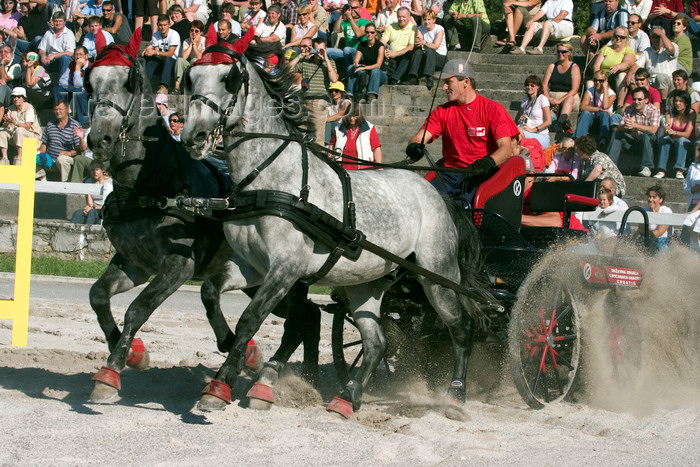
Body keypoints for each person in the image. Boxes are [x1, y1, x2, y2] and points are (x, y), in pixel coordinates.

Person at [406, 58, 519, 203]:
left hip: (482, 175)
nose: (444, 88)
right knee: (421, 202)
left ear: (466, 82)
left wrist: (488, 162)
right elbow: (419, 138)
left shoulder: (493, 109)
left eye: (448, 82)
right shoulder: (441, 111)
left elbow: (506, 148)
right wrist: (414, 146)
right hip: (449, 176)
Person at [291, 36, 338, 145]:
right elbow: (288, 69)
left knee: (318, 138)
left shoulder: (330, 63)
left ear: (326, 48)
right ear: (313, 49)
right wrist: (300, 55)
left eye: (322, 49)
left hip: (319, 102)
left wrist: (325, 58)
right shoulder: (306, 62)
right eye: (317, 49)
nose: (319, 52)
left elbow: (334, 79)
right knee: (299, 136)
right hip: (304, 101)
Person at [607, 86, 659, 176]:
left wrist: (635, 125)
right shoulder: (629, 109)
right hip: (634, 141)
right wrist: (625, 126)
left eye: (639, 99)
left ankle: (647, 167)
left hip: (649, 143)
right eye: (634, 99)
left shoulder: (653, 110)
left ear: (646, 100)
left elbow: (654, 129)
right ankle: (610, 166)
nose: (636, 102)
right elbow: (620, 127)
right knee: (617, 134)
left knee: (646, 135)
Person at [37, 99, 88, 182]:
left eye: (60, 109)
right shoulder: (50, 124)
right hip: (50, 160)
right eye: (55, 109)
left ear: (67, 110)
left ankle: (65, 184)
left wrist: (68, 153)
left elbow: (79, 150)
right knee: (32, 157)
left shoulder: (75, 126)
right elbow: (44, 144)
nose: (57, 112)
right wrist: (38, 152)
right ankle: (43, 179)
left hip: (67, 159)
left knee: (62, 159)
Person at [628, 25, 678, 101]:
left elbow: (671, 49)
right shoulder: (648, 51)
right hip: (650, 82)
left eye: (658, 36)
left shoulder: (672, 46)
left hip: (668, 82)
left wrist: (661, 33)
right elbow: (637, 65)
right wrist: (630, 74)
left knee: (660, 77)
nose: (655, 39)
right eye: (653, 37)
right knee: (633, 78)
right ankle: (637, 102)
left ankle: (663, 104)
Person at [590, 26, 635, 108]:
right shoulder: (606, 49)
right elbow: (596, 65)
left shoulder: (628, 50)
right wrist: (599, 76)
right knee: (590, 82)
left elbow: (628, 63)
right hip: (604, 75)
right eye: (616, 36)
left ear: (626, 39)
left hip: (616, 76)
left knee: (622, 76)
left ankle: (619, 105)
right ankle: (592, 105)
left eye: (622, 37)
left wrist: (618, 67)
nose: (618, 38)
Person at [510, 0, 574, 55]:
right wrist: (531, 21)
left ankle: (540, 48)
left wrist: (547, 23)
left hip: (565, 26)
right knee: (533, 25)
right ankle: (522, 48)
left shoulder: (567, 1)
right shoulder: (549, 1)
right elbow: (541, 12)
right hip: (550, 25)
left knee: (547, 23)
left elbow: (562, 16)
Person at [542, 41, 580, 133]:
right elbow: (544, 85)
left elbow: (574, 89)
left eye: (563, 52)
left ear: (569, 53)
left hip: (568, 95)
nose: (560, 54)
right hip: (552, 95)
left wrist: (560, 100)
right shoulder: (552, 66)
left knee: (569, 99)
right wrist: (548, 98)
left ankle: (560, 123)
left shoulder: (574, 67)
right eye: (558, 51)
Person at [655, 90, 693, 179]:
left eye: (680, 101)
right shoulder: (670, 112)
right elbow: (668, 127)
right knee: (665, 139)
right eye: (676, 101)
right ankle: (661, 170)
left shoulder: (691, 114)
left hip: (687, 143)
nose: (677, 103)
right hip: (673, 141)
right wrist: (666, 128)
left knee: (682, 140)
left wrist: (675, 132)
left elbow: (687, 134)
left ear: (686, 103)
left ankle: (679, 170)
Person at [329, 105, 382, 170]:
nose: (351, 118)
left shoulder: (369, 128)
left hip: (364, 169)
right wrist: (330, 157)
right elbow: (331, 145)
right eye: (349, 116)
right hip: (342, 169)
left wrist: (379, 166)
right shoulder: (338, 129)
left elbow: (376, 148)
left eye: (354, 116)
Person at [405, 9, 446, 89]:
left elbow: (435, 46)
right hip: (427, 56)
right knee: (418, 51)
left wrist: (425, 43)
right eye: (425, 19)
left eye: (429, 19)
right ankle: (413, 76)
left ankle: (428, 77)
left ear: (434, 20)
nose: (427, 22)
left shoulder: (439, 29)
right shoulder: (420, 28)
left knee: (430, 50)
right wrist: (419, 42)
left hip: (440, 57)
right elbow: (418, 41)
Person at [573, 70, 616, 145]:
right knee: (585, 113)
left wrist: (605, 89)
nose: (598, 82)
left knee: (604, 114)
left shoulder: (611, 93)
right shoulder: (590, 91)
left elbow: (605, 106)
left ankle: (603, 139)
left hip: (603, 121)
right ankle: (578, 138)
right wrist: (599, 109)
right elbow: (583, 107)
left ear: (606, 81)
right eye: (595, 80)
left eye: (601, 81)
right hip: (592, 120)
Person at [50, 44, 89, 126]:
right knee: (57, 89)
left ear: (86, 56)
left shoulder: (90, 67)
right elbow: (62, 81)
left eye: (80, 54)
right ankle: (62, 117)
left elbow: (78, 84)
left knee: (79, 91)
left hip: (89, 92)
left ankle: (84, 120)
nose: (78, 57)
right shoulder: (72, 64)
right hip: (74, 88)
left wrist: (78, 68)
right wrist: (72, 87)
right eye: (76, 54)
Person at [0, 86, 40, 164]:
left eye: (19, 97)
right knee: (1, 131)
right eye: (14, 97)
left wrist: (14, 122)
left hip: (31, 135)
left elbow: (27, 126)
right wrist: (6, 122)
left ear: (24, 98)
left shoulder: (29, 108)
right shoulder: (11, 108)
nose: (16, 99)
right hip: (15, 135)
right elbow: (8, 126)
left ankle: (19, 157)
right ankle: (4, 158)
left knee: (20, 130)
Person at [346, 22, 385, 101]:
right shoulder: (361, 45)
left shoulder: (380, 45)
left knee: (375, 70)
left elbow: (378, 65)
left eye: (372, 32)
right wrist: (356, 65)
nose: (369, 34)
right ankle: (349, 93)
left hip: (379, 74)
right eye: (367, 32)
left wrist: (364, 68)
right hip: (366, 71)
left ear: (375, 33)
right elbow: (356, 60)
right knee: (351, 67)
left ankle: (372, 94)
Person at [142, 14, 180, 91]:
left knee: (167, 59)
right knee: (151, 61)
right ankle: (144, 83)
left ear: (169, 24)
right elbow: (156, 51)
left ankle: (164, 86)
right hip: (162, 60)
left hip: (173, 61)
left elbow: (170, 54)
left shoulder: (174, 34)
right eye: (160, 25)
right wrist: (150, 52)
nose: (163, 27)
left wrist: (155, 52)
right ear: (157, 25)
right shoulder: (156, 35)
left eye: (165, 25)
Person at [326, 0, 368, 71]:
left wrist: (349, 18)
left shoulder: (365, 22)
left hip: (359, 53)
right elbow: (336, 30)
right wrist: (342, 15)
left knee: (347, 49)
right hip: (346, 52)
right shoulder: (345, 22)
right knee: (326, 51)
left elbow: (359, 34)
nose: (352, 10)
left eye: (355, 8)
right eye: (351, 8)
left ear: (360, 9)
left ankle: (348, 73)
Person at [69, 160, 112, 224]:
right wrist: (89, 207)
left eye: (97, 169)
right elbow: (90, 202)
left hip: (105, 209)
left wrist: (94, 208)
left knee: (92, 213)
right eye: (92, 170)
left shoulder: (109, 182)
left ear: (102, 170)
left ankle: (88, 232)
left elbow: (109, 203)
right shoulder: (88, 182)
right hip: (93, 208)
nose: (95, 172)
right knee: (78, 213)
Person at [380, 7, 416, 84]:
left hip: (404, 56)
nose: (401, 19)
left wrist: (395, 54)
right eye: (399, 16)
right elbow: (382, 42)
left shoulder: (413, 28)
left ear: (409, 17)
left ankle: (394, 78)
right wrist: (384, 51)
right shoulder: (391, 26)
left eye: (403, 17)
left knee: (409, 54)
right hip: (390, 55)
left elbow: (411, 46)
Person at [515, 74, 551, 149]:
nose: (529, 87)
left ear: (538, 87)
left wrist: (533, 130)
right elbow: (519, 119)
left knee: (518, 134)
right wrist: (520, 118)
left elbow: (548, 121)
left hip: (540, 135)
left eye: (532, 85)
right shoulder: (525, 100)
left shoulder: (542, 99)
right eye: (527, 85)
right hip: (525, 131)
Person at [38, 11, 76, 80]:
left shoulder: (69, 34)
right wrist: (43, 56)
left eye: (60, 21)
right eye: (56, 21)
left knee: (65, 57)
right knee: (36, 56)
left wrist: (54, 56)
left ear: (64, 22)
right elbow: (41, 48)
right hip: (49, 61)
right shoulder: (48, 33)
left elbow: (70, 52)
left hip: (61, 60)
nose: (58, 23)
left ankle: (62, 82)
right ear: (52, 21)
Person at [174, 20, 204, 93]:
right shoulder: (186, 41)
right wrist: (191, 44)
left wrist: (195, 45)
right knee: (179, 60)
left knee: (194, 60)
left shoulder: (204, 41)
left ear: (201, 32)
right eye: (192, 31)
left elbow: (200, 57)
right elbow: (184, 57)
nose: (194, 33)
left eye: (196, 31)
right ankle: (176, 88)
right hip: (189, 64)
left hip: (200, 65)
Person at [641, 184, 672, 251]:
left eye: (654, 197)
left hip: (662, 240)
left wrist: (653, 212)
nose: (650, 199)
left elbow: (659, 233)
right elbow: (641, 230)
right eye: (649, 197)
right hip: (647, 238)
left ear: (660, 200)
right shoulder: (645, 211)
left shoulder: (666, 211)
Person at [683, 150, 700, 251]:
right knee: (688, 225)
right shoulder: (693, 166)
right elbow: (686, 189)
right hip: (693, 205)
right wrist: (693, 190)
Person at [325, 80, 350, 144]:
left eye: (336, 91)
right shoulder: (329, 105)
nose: (333, 93)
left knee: (328, 122)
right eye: (331, 91)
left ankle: (326, 143)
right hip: (333, 129)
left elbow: (339, 114)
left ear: (341, 92)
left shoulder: (346, 102)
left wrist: (325, 120)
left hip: (343, 128)